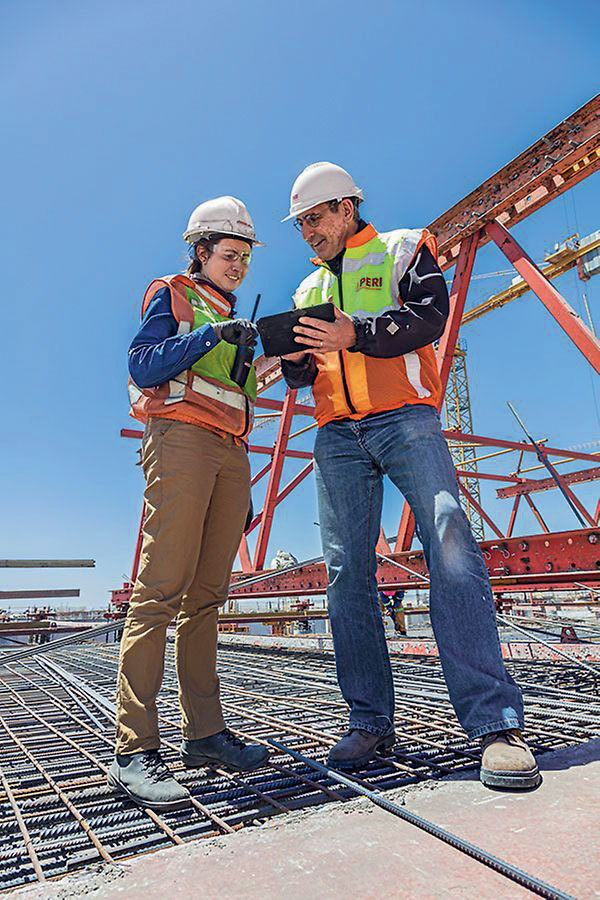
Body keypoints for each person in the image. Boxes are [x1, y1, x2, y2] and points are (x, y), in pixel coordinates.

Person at [280, 162, 539, 789]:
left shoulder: (401, 248)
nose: (309, 231)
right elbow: (304, 376)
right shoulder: (305, 291)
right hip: (337, 433)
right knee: (347, 575)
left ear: (346, 208)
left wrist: (356, 332)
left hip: (406, 419)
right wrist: (293, 362)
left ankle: (495, 724)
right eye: (302, 223)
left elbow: (430, 316)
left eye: (316, 217)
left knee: (450, 548)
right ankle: (370, 722)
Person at [109, 196, 269, 811]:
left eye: (245, 259)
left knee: (206, 600)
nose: (238, 267)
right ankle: (135, 750)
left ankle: (204, 735)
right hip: (180, 443)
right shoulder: (173, 293)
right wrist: (207, 335)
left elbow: (235, 396)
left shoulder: (234, 316)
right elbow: (144, 364)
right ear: (201, 251)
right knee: (159, 593)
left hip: (230, 454)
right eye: (230, 255)